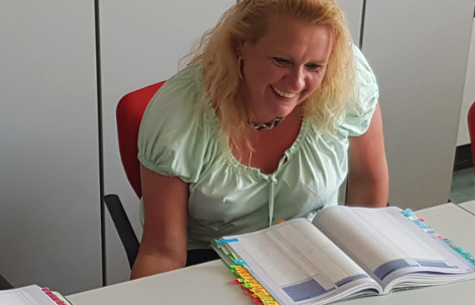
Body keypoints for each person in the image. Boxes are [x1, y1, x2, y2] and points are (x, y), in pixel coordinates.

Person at [131, 0, 389, 279]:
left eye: (314, 66)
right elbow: (162, 253)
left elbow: (367, 180)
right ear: (241, 45)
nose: (297, 82)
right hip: (213, 265)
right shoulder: (179, 114)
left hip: (316, 255)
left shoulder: (347, 76)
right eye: (282, 61)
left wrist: (369, 275)